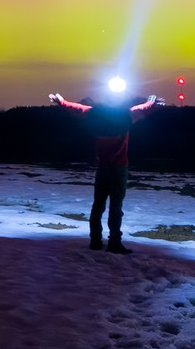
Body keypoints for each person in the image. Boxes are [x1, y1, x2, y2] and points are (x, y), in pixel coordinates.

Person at [49, 90, 163, 253]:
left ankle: (95, 241)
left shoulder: (94, 115)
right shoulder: (125, 116)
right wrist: (152, 103)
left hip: (102, 167)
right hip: (119, 168)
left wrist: (61, 101)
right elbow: (141, 110)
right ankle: (114, 243)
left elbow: (77, 109)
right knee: (116, 207)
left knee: (98, 206)